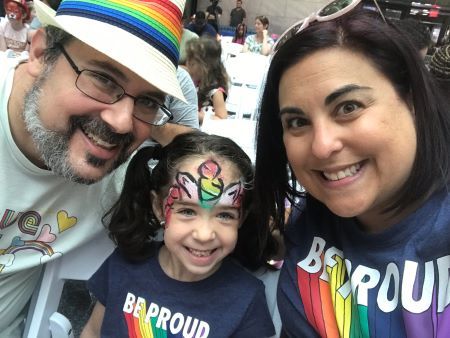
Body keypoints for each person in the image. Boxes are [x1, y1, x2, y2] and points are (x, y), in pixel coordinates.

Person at [253, 3, 450, 337]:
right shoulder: (309, 219)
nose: (322, 146)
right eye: (298, 121)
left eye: (348, 107)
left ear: (414, 103)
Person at [0, 0, 188, 335]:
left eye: (147, 100)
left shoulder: (121, 178)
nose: (120, 123)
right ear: (42, 54)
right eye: (103, 79)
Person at [80, 131, 277, 337]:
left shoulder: (246, 298)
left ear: (241, 218)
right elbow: (93, 332)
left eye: (225, 215)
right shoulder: (123, 264)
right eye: (187, 211)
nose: (204, 234)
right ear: (158, 206)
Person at [185, 37, 229, 123]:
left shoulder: (216, 92)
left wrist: (198, 116)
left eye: (192, 63)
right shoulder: (197, 82)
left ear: (206, 67)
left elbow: (222, 119)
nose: (188, 66)